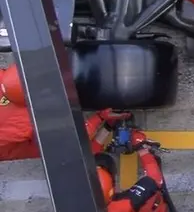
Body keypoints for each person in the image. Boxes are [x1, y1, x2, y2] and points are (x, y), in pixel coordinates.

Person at [0, 64, 132, 161]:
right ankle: (108, 127)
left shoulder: (12, 79)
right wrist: (98, 118)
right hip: (10, 144)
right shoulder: (25, 125)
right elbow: (68, 138)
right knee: (75, 150)